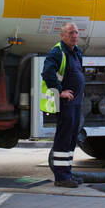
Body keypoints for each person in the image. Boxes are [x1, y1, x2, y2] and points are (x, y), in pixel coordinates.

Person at [40, 23, 86, 187]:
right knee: (64, 138)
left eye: (76, 32)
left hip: (75, 102)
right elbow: (47, 72)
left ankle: (68, 173)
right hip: (65, 103)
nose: (74, 35)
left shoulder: (76, 51)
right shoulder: (57, 51)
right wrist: (59, 91)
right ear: (62, 35)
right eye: (70, 33)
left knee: (72, 138)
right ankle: (61, 178)